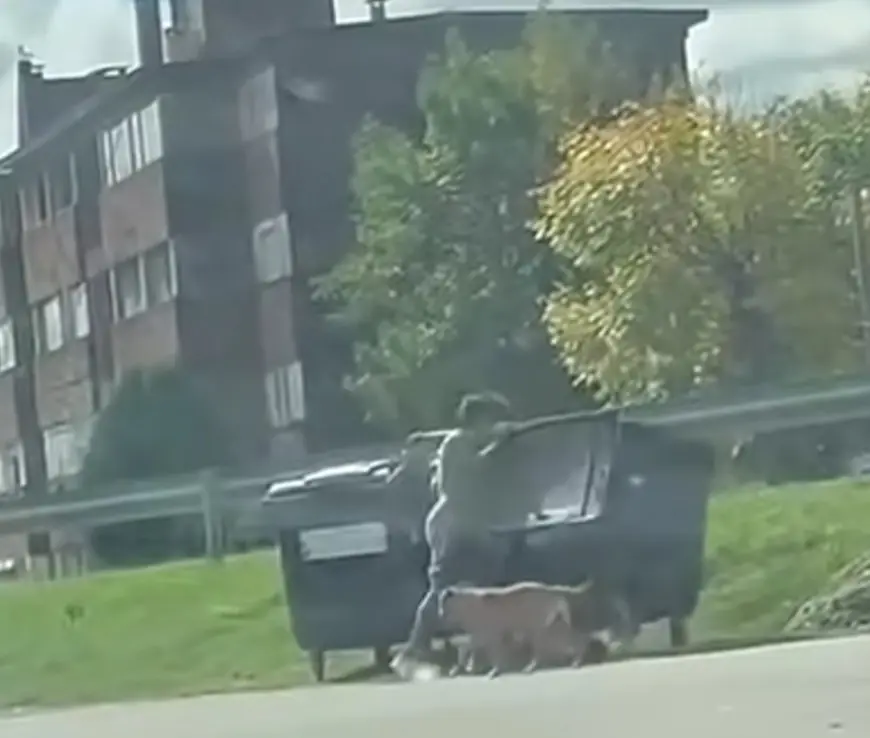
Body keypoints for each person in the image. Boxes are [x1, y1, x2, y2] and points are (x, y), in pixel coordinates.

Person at [391, 392, 517, 674]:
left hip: (473, 526)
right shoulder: (457, 444)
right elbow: (473, 471)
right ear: (480, 419)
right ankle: (416, 646)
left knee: (482, 589)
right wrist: (499, 444)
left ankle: (479, 650)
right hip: (453, 525)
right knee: (444, 588)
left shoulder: (469, 443)